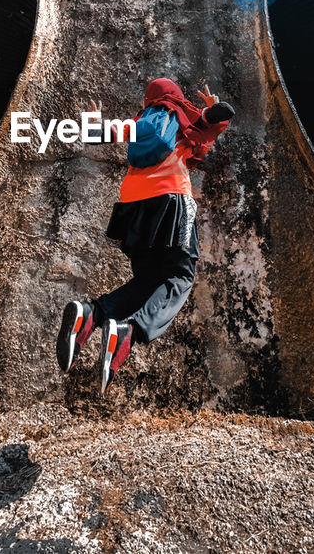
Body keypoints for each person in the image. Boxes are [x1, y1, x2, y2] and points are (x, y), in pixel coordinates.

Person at [56, 78, 235, 393]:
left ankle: (91, 314)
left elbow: (93, 134)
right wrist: (210, 107)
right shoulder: (182, 117)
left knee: (148, 282)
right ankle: (127, 332)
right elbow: (223, 113)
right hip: (171, 201)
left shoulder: (139, 123)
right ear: (175, 97)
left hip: (133, 206)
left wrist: (93, 120)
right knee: (180, 277)